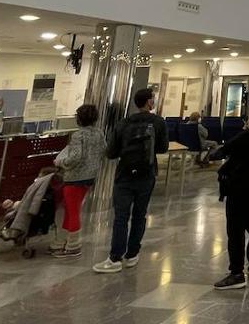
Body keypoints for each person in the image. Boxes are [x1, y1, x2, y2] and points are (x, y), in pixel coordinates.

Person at [94, 88, 168, 274]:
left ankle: (115, 257)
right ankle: (132, 254)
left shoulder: (123, 123)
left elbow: (111, 152)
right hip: (147, 174)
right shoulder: (158, 122)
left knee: (121, 216)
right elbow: (162, 148)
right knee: (139, 214)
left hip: (124, 175)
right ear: (149, 102)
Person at [208, 103, 249, 290]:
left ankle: (236, 272)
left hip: (240, 185)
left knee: (235, 228)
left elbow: (223, 150)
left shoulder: (247, 135)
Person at [50, 103, 106, 258]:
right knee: (71, 208)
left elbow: (75, 157)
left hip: (75, 177)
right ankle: (65, 240)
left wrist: (61, 162)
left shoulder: (78, 136)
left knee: (73, 210)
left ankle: (74, 244)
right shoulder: (99, 133)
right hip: (90, 176)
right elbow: (103, 151)